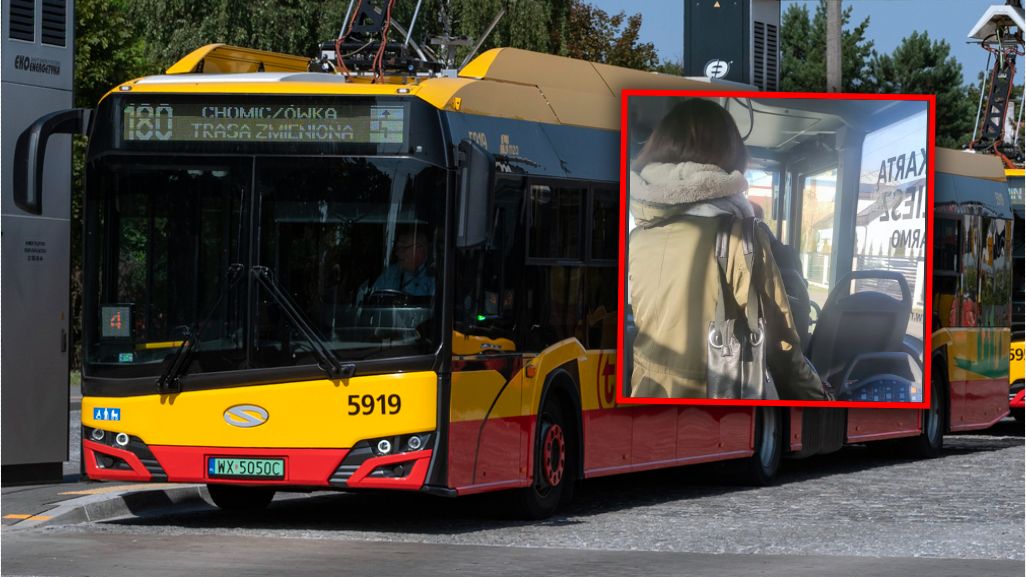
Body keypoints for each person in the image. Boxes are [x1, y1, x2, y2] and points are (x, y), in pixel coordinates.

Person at [628, 98, 828, 400]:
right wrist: (820, 396)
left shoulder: (638, 237)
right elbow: (781, 346)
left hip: (644, 393)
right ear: (728, 156)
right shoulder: (741, 236)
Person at [369, 229, 435, 297]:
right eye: (397, 248)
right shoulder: (390, 274)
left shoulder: (435, 276)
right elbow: (373, 299)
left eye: (403, 248)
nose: (397, 253)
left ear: (420, 249)